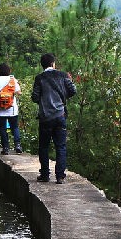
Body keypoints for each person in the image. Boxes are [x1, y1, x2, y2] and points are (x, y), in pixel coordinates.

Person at [31, 52, 76, 184]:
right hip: (60, 115)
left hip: (45, 118)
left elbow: (34, 97)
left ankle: (45, 175)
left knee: (44, 147)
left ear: (42, 65)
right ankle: (60, 176)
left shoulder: (39, 78)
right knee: (60, 146)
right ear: (53, 63)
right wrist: (61, 98)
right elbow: (73, 90)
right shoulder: (62, 75)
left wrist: (44, 100)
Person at [0, 63, 23, 155]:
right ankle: (17, 145)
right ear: (9, 71)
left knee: (2, 128)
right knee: (15, 127)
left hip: (1, 109)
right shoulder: (12, 80)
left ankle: (5, 148)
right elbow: (19, 92)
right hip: (12, 109)